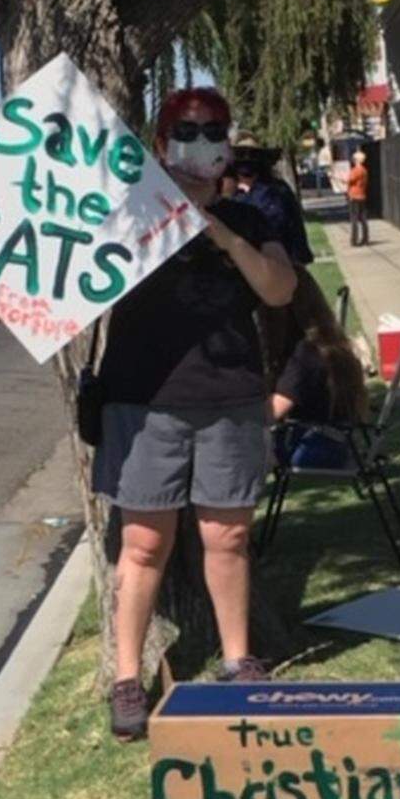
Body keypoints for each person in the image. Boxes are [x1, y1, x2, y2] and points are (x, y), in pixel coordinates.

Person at [93, 87, 297, 741]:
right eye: (185, 130)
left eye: (213, 131)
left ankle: (240, 660)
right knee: (144, 544)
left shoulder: (253, 217)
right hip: (142, 403)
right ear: (160, 144)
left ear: (229, 144)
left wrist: (220, 234)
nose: (200, 141)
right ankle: (129, 677)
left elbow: (279, 288)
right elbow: (60, 278)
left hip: (231, 401)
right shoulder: (121, 215)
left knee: (227, 539)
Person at [269, 272, 367, 469]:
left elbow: (273, 410)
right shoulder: (328, 342)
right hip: (339, 441)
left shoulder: (304, 353)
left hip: (314, 446)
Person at [232, 132, 314, 266]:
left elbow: (296, 229)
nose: (247, 159)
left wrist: (299, 263)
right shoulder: (223, 192)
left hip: (278, 267)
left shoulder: (278, 191)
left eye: (253, 154)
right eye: (241, 154)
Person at [347, 147, 370, 247]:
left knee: (354, 219)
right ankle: (365, 238)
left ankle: (354, 240)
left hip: (354, 196)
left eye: (354, 159)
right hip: (362, 195)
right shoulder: (364, 170)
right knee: (363, 219)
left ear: (356, 160)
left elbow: (349, 180)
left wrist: (336, 177)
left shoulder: (356, 170)